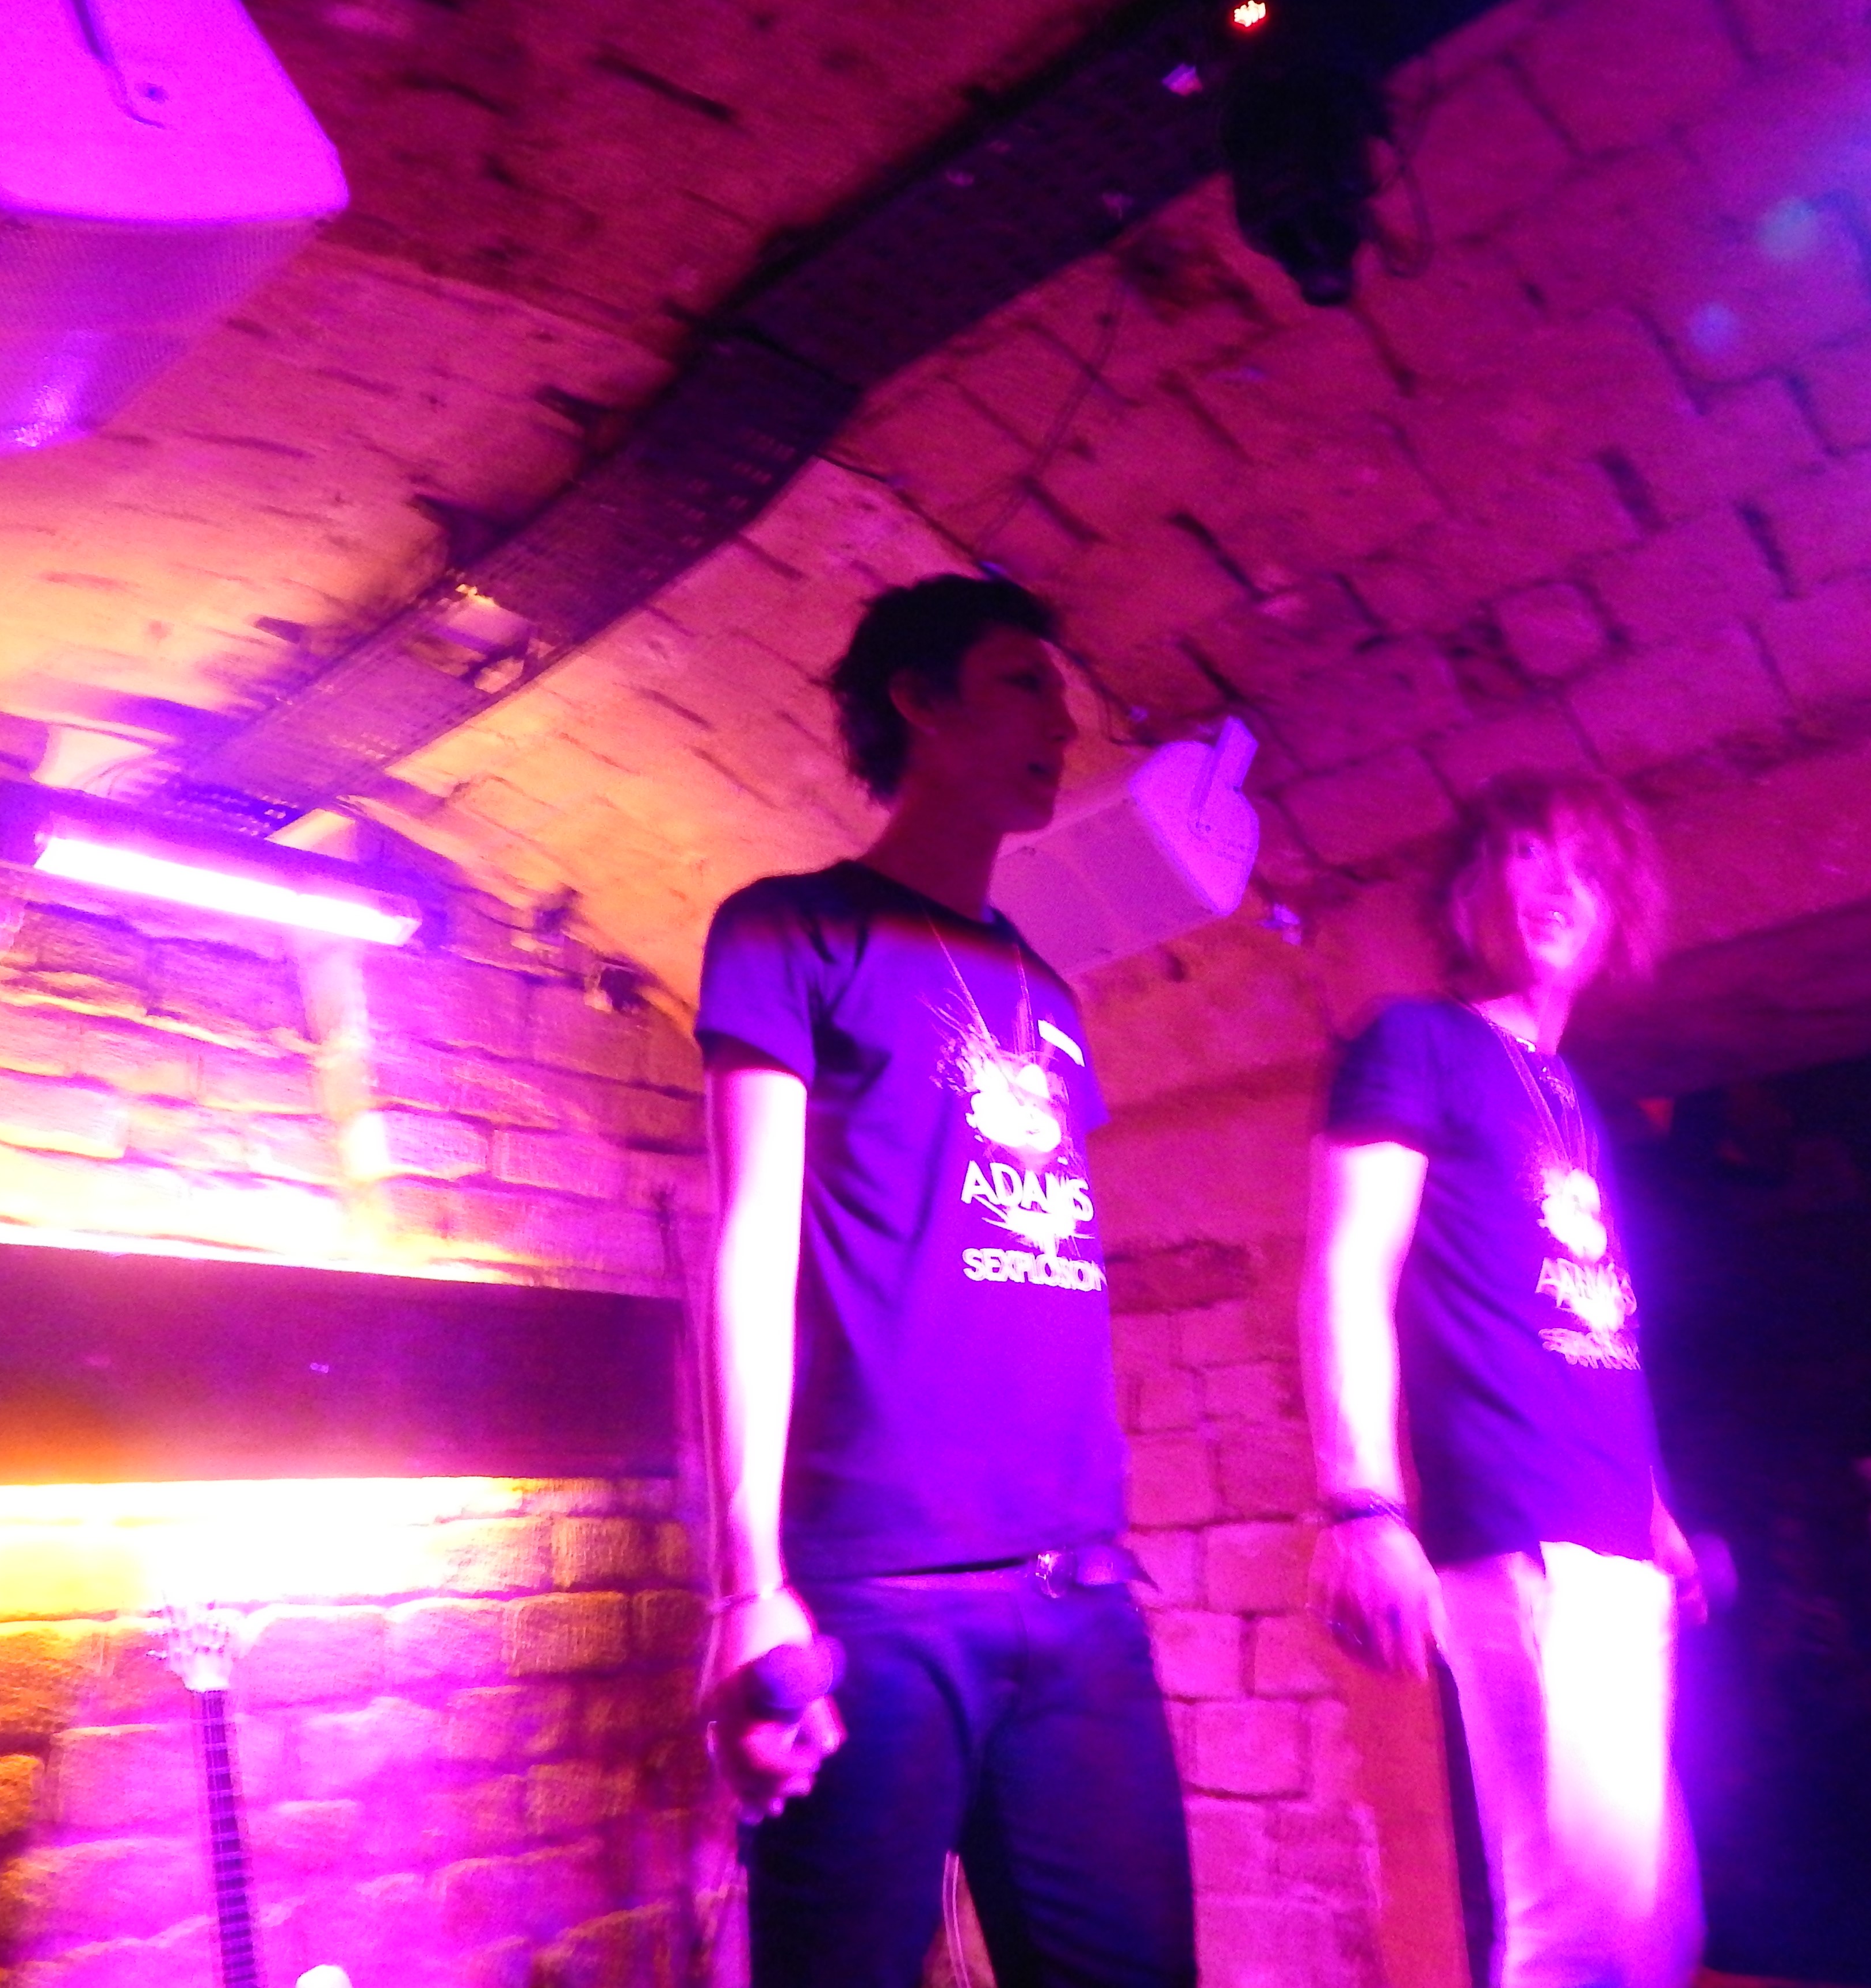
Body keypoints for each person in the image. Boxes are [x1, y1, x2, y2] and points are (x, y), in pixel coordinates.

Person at [696, 575, 1196, 1987]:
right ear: (918, 702)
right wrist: (750, 1585)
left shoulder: (1051, 994)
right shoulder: (792, 930)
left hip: (1079, 1587)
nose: (1064, 724)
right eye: (1023, 684)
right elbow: (752, 1241)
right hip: (878, 1595)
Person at [1299, 769, 1704, 1988]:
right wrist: (1362, 1506)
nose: (1557, 886)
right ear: (1469, 890)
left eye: (1586, 866)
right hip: (1523, 1531)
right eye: (1526, 854)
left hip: (1610, 1539)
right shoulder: (1413, 1043)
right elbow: (1348, 1274)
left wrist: (1655, 1509)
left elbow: (1591, 1319)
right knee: (1581, 1936)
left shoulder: (1571, 1096)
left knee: (1653, 1930)